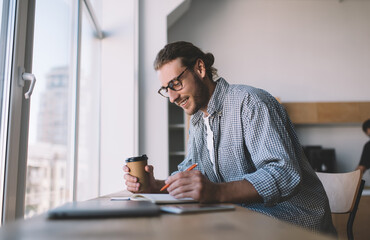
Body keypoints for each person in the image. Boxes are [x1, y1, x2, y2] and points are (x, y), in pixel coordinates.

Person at [123, 41, 336, 234]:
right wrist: (156, 186)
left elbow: (284, 174)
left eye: (175, 84)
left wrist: (216, 192)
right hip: (242, 218)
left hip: (293, 220)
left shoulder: (251, 103)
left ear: (200, 68)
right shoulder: (198, 121)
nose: (171, 97)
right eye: (165, 89)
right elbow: (190, 172)